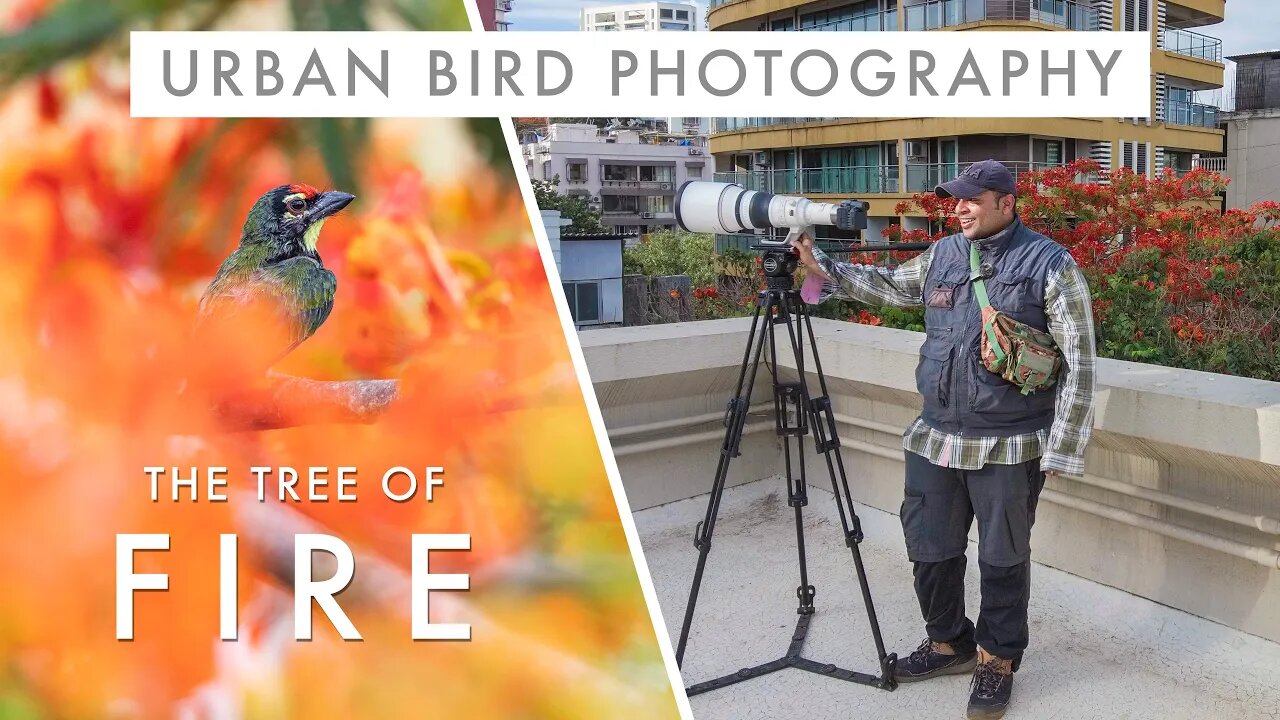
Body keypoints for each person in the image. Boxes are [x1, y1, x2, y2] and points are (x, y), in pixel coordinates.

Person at [792, 160, 1097, 719]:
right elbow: (888, 287)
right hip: (934, 436)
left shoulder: (1052, 264)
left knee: (1004, 558)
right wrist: (821, 265)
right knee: (929, 548)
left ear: (1006, 202)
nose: (959, 208)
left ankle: (997, 661)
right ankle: (948, 642)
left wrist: (1062, 448)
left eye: (971, 199)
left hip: (1008, 443)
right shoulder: (944, 256)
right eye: (956, 199)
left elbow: (1079, 362)